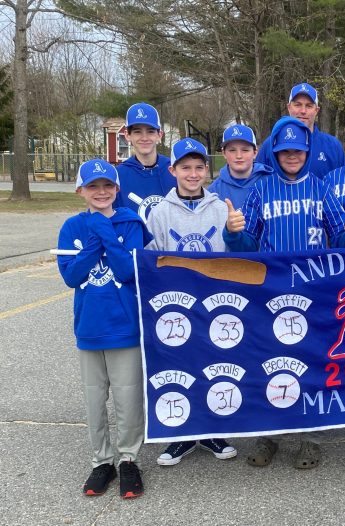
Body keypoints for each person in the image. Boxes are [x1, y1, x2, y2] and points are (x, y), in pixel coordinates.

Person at [223, 116, 345, 468]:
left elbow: (343, 239)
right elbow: (247, 245)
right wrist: (233, 232)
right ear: (275, 151)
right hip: (271, 290)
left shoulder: (320, 187)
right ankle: (269, 435)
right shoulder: (261, 188)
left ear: (306, 151)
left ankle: (311, 438)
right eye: (285, 150)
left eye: (298, 150)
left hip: (314, 289)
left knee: (313, 362)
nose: (292, 156)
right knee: (269, 362)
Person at [57, 159, 152, 499]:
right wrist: (97, 239)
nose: (101, 192)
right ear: (80, 190)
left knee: (127, 399)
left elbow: (128, 270)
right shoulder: (71, 227)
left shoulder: (130, 223)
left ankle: (128, 460)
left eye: (107, 186)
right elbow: (71, 276)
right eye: (93, 186)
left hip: (124, 328)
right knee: (94, 400)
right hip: (89, 329)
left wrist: (106, 234)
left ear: (117, 189)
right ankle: (102, 461)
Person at [146, 137, 238, 465]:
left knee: (213, 367)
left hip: (213, 303)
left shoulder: (219, 207)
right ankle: (181, 436)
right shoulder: (159, 213)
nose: (193, 173)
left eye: (199, 167)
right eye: (185, 167)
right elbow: (153, 259)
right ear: (172, 170)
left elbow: (229, 256)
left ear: (207, 172)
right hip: (176, 305)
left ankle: (211, 430)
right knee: (179, 367)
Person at [256, 83, 345, 178]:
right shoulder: (271, 144)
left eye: (309, 106)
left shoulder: (333, 146)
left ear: (317, 110)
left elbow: (343, 184)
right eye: (298, 105)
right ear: (289, 107)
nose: (303, 111)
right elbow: (257, 182)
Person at [114, 102, 174, 222]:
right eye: (137, 132)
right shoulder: (117, 175)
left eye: (150, 131)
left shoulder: (174, 170)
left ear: (159, 135)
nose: (144, 138)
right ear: (127, 135)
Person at [207, 123, 273, 209]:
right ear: (224, 153)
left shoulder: (271, 182)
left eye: (245, 150)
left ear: (255, 152)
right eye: (232, 150)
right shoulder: (213, 192)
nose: (239, 156)